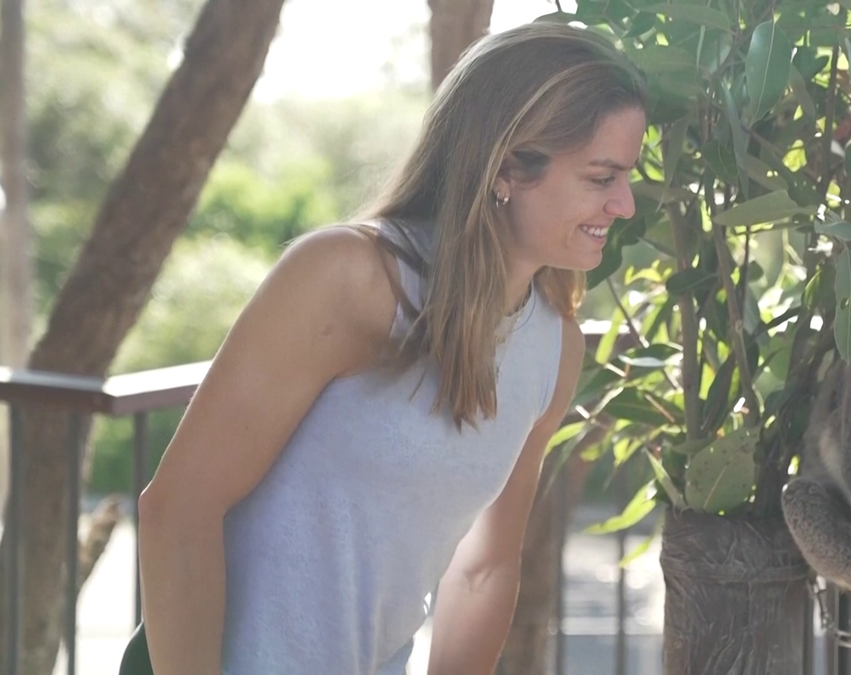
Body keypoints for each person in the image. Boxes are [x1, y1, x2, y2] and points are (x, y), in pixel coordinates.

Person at [134, 21, 647, 675]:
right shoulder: (349, 276)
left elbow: (483, 568)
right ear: (507, 167)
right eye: (601, 176)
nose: (625, 204)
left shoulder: (554, 347)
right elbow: (179, 506)